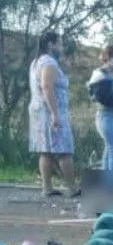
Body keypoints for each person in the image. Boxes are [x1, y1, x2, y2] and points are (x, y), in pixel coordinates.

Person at [28, 31, 78, 197]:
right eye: (60, 43)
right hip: (51, 111)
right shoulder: (49, 62)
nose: (62, 48)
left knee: (46, 150)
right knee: (64, 150)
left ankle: (47, 187)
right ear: (51, 44)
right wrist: (55, 113)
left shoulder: (36, 62)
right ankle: (72, 188)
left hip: (39, 111)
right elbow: (47, 86)